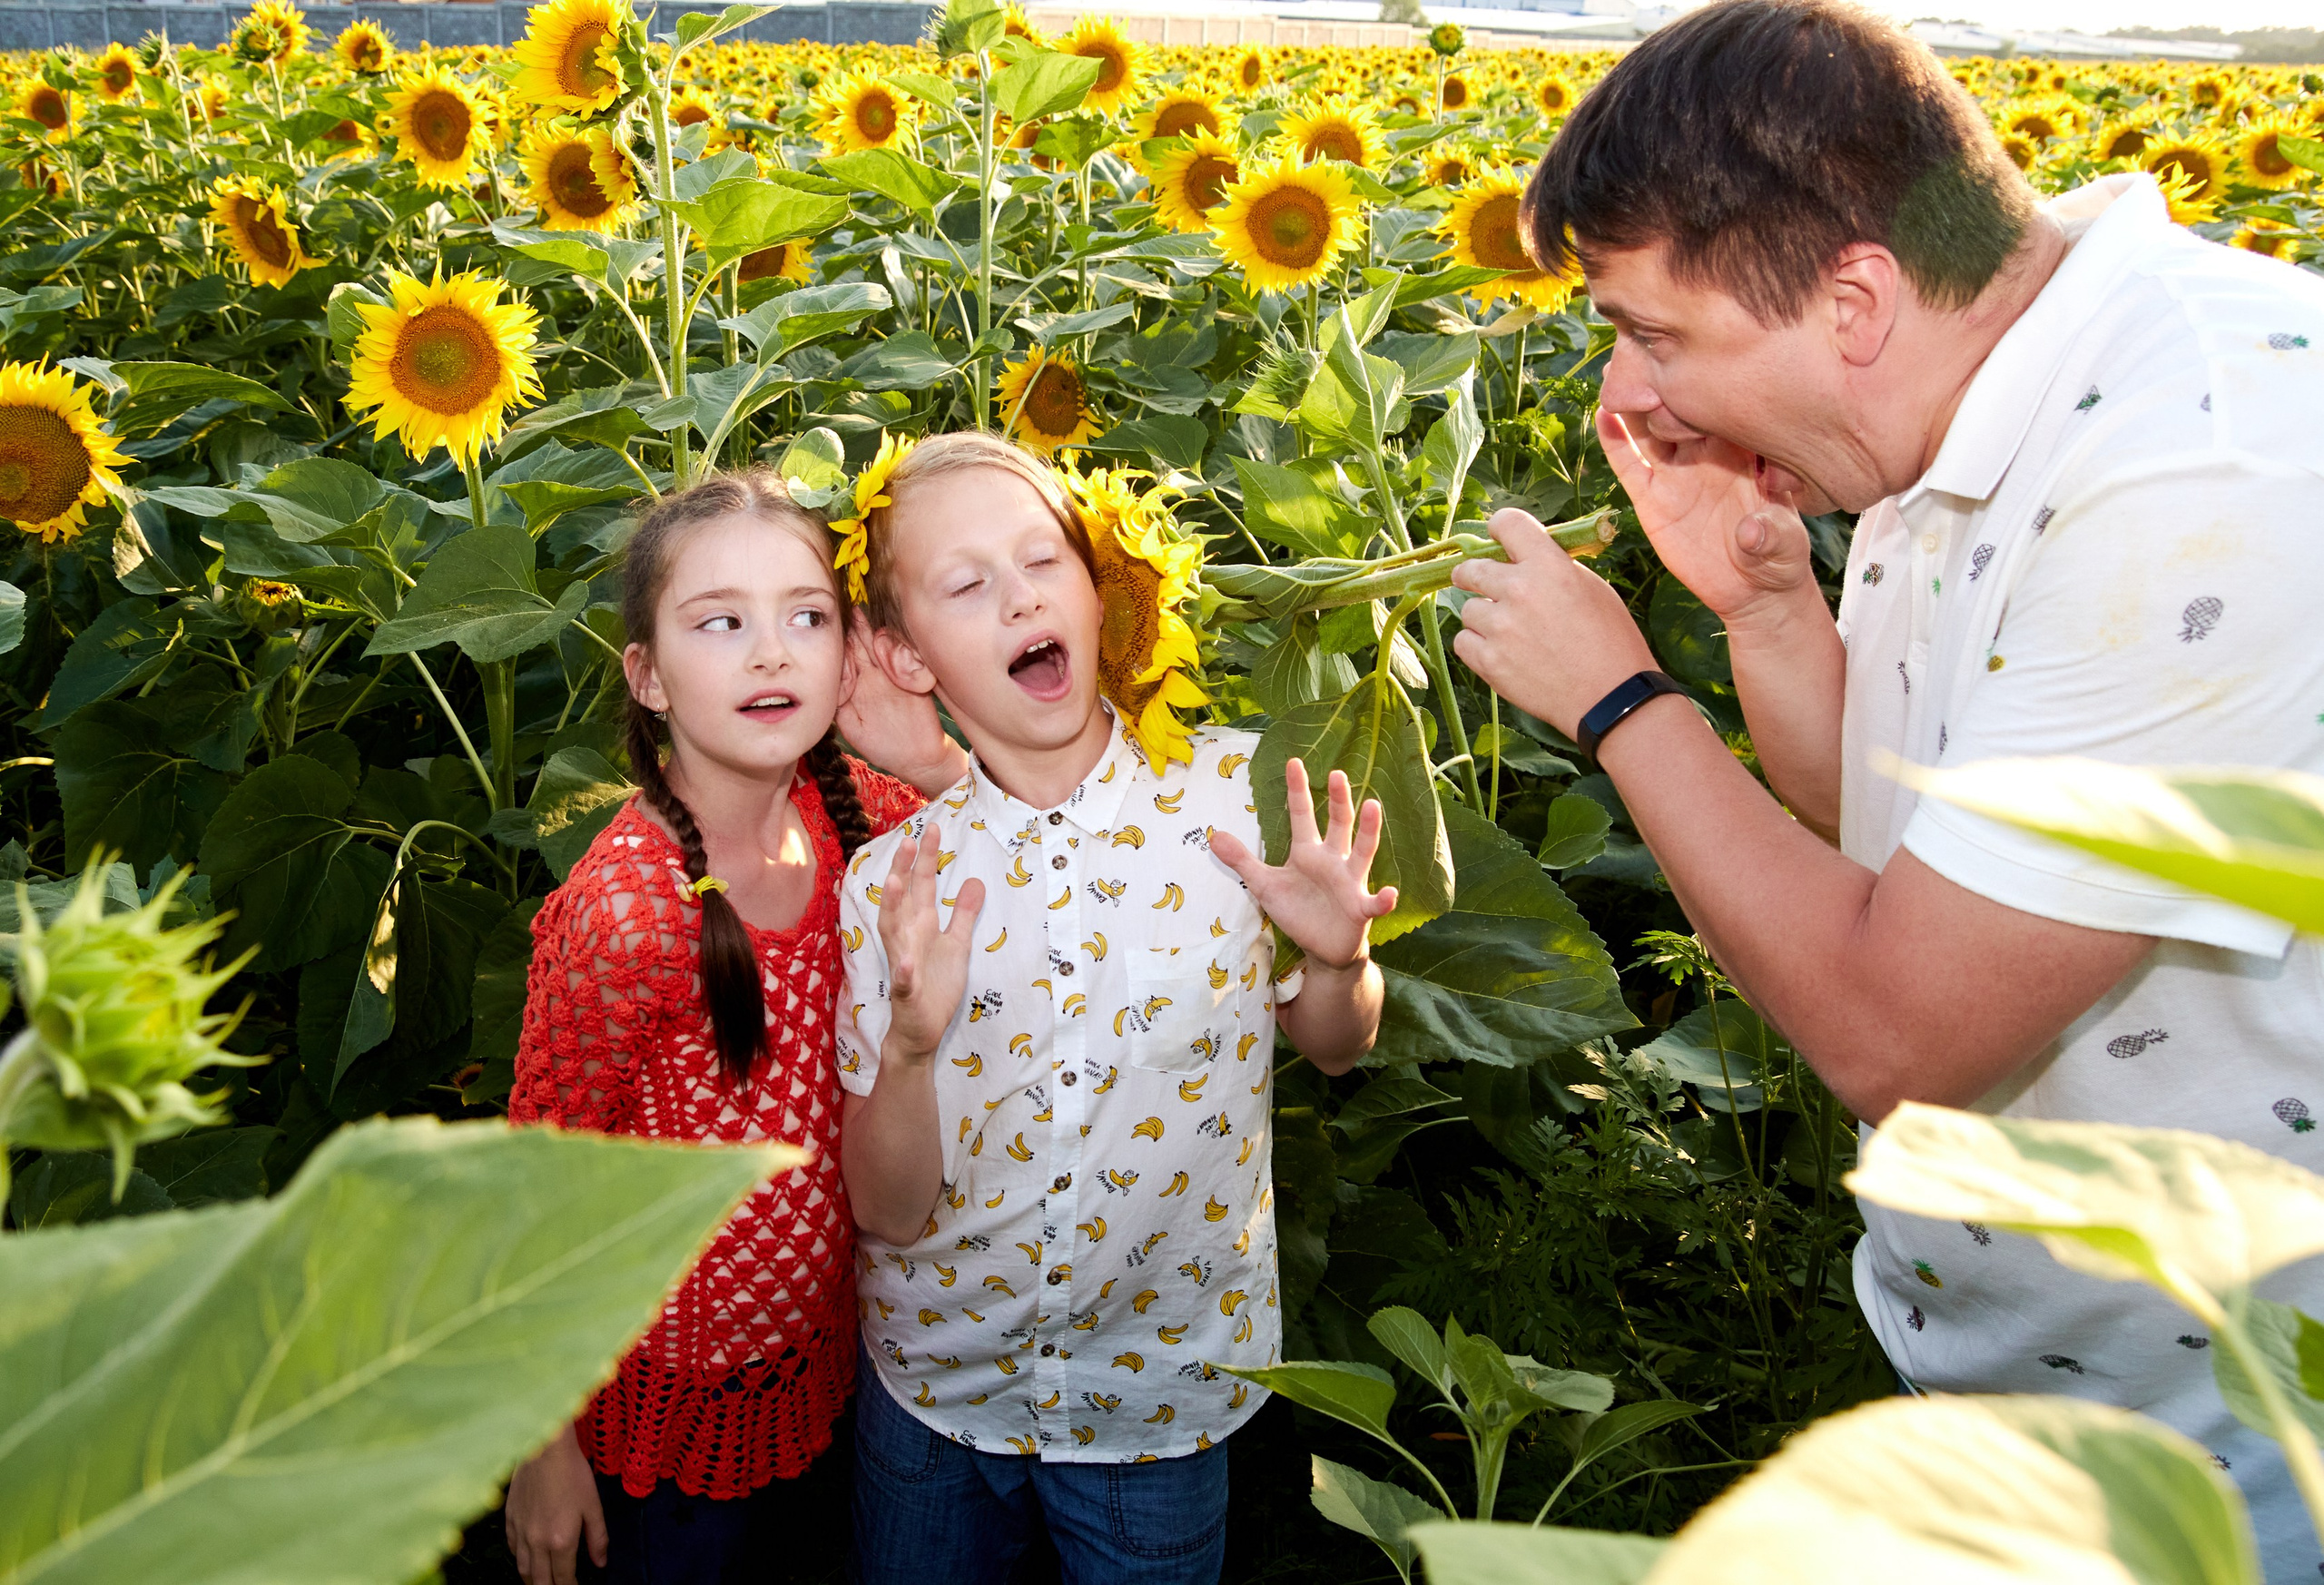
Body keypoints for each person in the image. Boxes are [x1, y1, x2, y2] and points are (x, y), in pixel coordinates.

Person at [1448, 1, 2324, 1575]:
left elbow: (1899, 1030)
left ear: (1853, 297)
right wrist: (1766, 611)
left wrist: (1624, 701)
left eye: (1660, 336)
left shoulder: (2203, 474)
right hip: (2029, 1370)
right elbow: (1901, 816)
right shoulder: (1978, 393)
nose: (1641, 402)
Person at [832, 432, 1391, 1583]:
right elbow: (886, 1209)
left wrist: (1339, 964)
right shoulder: (895, 886)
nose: (1020, 593)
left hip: (1159, 1393)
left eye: (1044, 559)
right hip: (940, 1386)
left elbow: (1338, 1051)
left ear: (1101, 593)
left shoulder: (1236, 805)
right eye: (966, 584)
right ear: (905, 655)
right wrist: (912, 1048)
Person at [503, 470, 970, 1585]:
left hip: (827, 1381)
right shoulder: (626, 914)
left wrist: (927, 754)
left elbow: (1016, 853)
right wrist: (539, 1445)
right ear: (648, 676)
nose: (771, 653)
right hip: (656, 1431)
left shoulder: (854, 814)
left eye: (806, 617)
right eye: (722, 623)